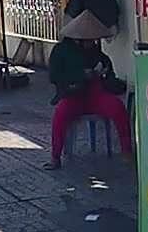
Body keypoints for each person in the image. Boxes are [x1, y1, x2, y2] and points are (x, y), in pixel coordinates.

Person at [45, 11, 132, 169]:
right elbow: (54, 76)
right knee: (60, 115)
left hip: (96, 94)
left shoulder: (97, 52)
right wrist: (81, 75)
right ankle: (55, 157)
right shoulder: (61, 51)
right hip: (72, 95)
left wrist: (105, 74)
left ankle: (127, 150)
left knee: (118, 108)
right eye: (89, 40)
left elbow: (109, 74)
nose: (92, 42)